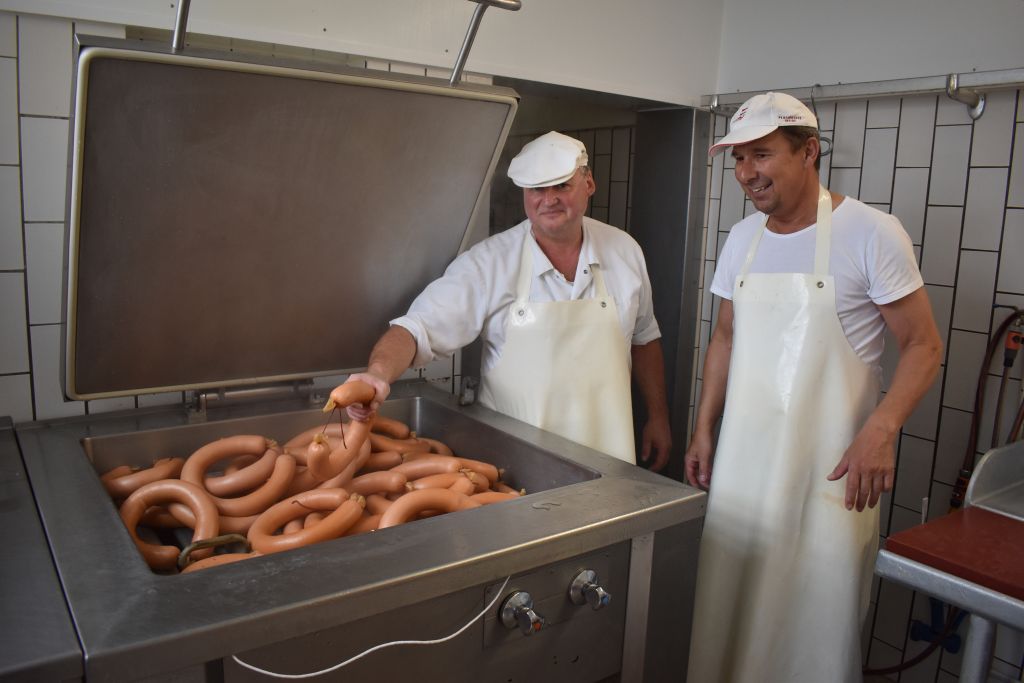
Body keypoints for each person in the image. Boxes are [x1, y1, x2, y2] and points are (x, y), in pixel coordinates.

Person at [684, 92, 942, 682]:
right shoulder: (742, 238)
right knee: (726, 613)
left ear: (809, 151)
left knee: (811, 630)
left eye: (763, 155)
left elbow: (925, 345)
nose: (748, 173)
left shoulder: (871, 232)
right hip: (745, 474)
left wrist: (881, 429)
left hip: (828, 479)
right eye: (739, 159)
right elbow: (724, 337)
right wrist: (704, 428)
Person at [332, 131, 672, 470]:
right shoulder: (488, 264)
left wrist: (658, 417)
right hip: (518, 469)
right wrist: (377, 374)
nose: (548, 199)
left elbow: (644, 338)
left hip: (611, 459)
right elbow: (415, 329)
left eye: (562, 186)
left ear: (589, 184)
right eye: (537, 189)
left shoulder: (625, 251)